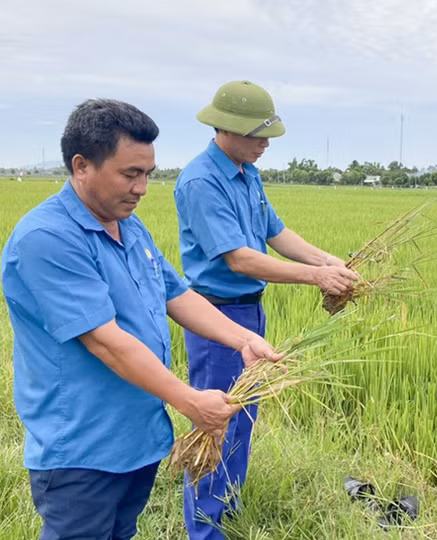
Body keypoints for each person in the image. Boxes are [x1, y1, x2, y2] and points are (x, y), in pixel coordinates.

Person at [1, 99, 283, 540]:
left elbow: (176, 294)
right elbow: (106, 342)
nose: (142, 188)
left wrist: (241, 338)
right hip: (83, 448)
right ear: (81, 166)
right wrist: (190, 401)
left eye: (147, 173)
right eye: (129, 174)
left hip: (136, 437)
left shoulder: (127, 225)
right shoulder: (47, 239)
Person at [174, 80, 358, 539]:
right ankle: (204, 528)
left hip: (250, 312)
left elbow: (276, 232)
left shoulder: (246, 172)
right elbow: (238, 257)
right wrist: (316, 277)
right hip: (215, 317)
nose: (266, 144)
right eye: (258, 134)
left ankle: (228, 510)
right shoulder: (202, 180)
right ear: (228, 129)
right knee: (215, 421)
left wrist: (331, 262)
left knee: (243, 417)